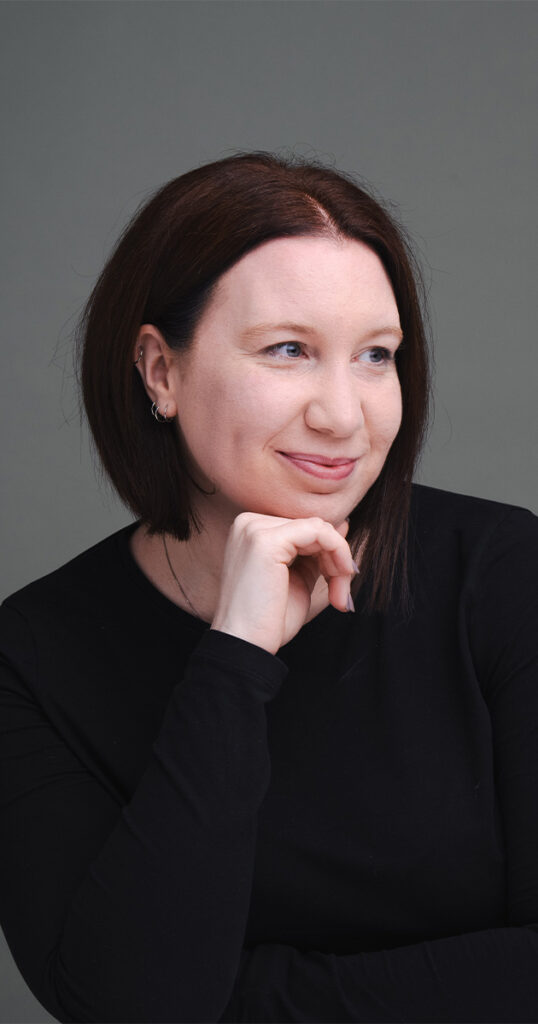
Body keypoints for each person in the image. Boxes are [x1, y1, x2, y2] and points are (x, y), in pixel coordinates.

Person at [0, 151, 537, 1024]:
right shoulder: (31, 660)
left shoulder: (506, 573)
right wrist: (235, 654)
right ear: (159, 373)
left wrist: (243, 1001)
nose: (344, 414)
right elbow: (133, 1006)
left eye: (376, 355)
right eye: (288, 350)